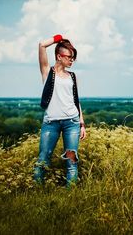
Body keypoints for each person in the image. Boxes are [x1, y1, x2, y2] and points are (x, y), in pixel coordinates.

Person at [33, 34, 87, 187]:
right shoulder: (47, 72)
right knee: (43, 159)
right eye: (69, 56)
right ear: (59, 56)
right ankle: (37, 192)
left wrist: (82, 124)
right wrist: (59, 37)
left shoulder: (72, 76)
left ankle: (71, 196)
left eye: (73, 57)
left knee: (72, 160)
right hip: (51, 123)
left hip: (72, 123)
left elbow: (76, 101)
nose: (72, 60)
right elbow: (42, 44)